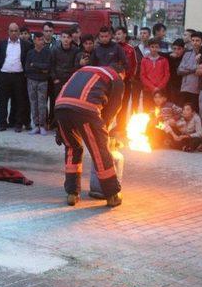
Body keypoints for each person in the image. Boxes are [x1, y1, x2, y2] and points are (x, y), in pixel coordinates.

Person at [54, 66, 124, 207]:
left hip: (60, 107)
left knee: (72, 148)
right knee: (99, 151)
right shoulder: (116, 78)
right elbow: (114, 107)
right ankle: (112, 195)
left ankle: (72, 193)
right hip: (86, 109)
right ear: (122, 73)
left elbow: (66, 91)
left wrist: (58, 129)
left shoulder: (84, 69)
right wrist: (105, 131)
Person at [0, 23, 28, 132]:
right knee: (3, 101)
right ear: (8, 32)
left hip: (19, 76)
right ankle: (2, 123)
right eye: (11, 31)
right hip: (4, 75)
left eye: (16, 31)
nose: (14, 33)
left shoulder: (25, 44)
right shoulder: (2, 44)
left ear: (19, 32)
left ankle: (18, 124)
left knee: (19, 101)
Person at [50, 28, 78, 129]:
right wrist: (54, 79)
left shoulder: (75, 50)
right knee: (56, 102)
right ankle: (56, 123)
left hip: (70, 81)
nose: (66, 40)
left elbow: (76, 65)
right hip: (58, 80)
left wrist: (72, 80)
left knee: (69, 103)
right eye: (64, 37)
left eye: (68, 37)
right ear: (60, 38)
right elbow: (51, 65)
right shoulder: (54, 49)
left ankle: (68, 124)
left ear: (71, 39)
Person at [25, 32, 51, 135]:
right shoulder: (30, 53)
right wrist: (40, 68)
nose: (40, 41)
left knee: (42, 104)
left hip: (43, 81)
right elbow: (27, 68)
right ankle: (35, 125)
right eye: (38, 39)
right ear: (34, 40)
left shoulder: (47, 52)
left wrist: (34, 65)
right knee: (33, 103)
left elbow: (47, 67)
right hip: (31, 80)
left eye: (42, 39)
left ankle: (42, 125)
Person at [114, 27, 137, 136]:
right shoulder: (112, 48)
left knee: (124, 104)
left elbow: (134, 64)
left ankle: (121, 126)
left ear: (124, 35)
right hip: (113, 80)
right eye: (116, 34)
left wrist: (130, 77)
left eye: (119, 33)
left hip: (126, 80)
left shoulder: (130, 49)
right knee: (112, 103)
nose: (117, 36)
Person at [139, 38, 170, 113]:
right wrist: (153, 87)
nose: (154, 49)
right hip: (148, 90)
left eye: (156, 47)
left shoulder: (164, 60)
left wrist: (159, 87)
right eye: (152, 47)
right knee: (147, 111)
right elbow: (142, 76)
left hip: (161, 91)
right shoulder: (144, 60)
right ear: (149, 48)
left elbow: (167, 75)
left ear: (159, 48)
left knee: (161, 112)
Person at [177, 31, 202, 112]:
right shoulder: (187, 54)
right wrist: (195, 68)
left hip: (197, 90)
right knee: (182, 113)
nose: (195, 43)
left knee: (194, 114)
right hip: (185, 88)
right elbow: (179, 70)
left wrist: (187, 68)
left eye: (197, 40)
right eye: (193, 40)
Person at [133, 27, 151, 112]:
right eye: (141, 33)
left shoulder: (153, 49)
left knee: (147, 101)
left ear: (149, 35)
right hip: (137, 78)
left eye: (145, 33)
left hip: (149, 79)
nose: (142, 35)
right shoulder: (135, 49)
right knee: (135, 101)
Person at [167, 38, 186, 105]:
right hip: (172, 86)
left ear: (183, 49)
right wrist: (169, 56)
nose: (176, 51)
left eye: (179, 49)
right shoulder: (169, 56)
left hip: (184, 86)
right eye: (174, 49)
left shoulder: (186, 57)